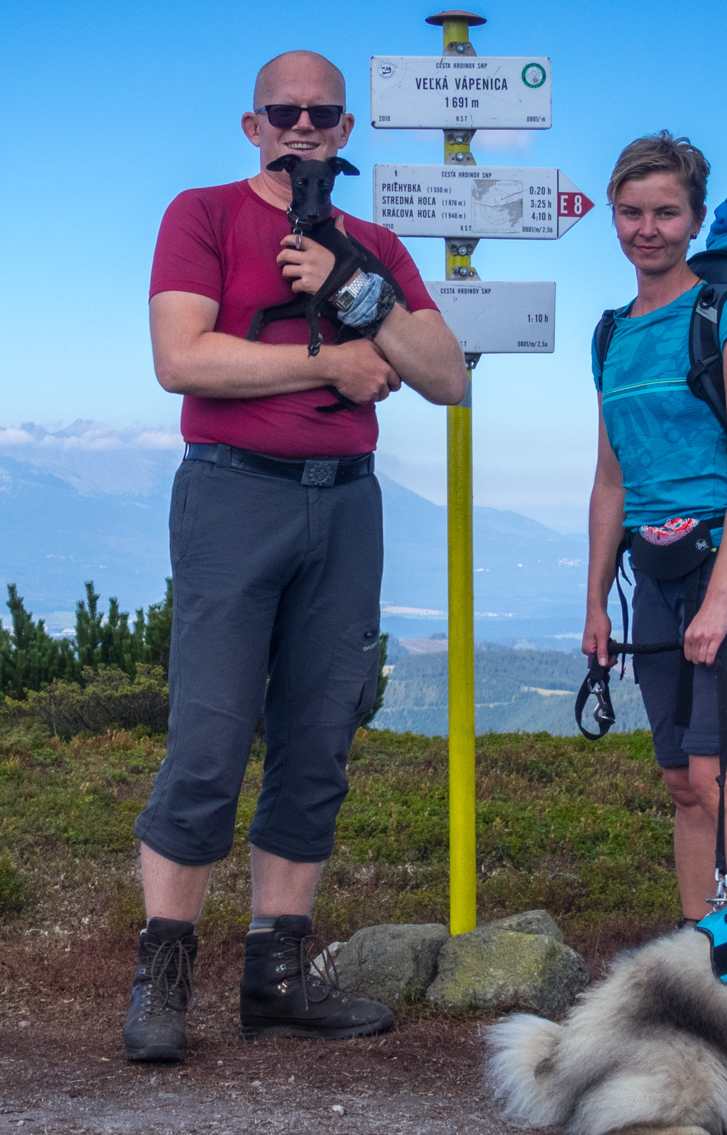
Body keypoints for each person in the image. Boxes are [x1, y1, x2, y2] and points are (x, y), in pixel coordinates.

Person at [127, 50, 468, 1062]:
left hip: (345, 506)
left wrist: (354, 289)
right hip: (233, 492)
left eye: (322, 112)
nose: (303, 125)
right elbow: (180, 358)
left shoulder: (372, 245)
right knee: (209, 734)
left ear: (346, 128)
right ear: (253, 125)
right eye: (285, 111)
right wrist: (327, 358)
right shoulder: (201, 215)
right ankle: (164, 968)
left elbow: (445, 375)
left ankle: (276, 978)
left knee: (320, 737)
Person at [581, 132, 727, 925]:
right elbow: (610, 479)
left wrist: (723, 597)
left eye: (666, 212)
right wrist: (596, 601)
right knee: (681, 783)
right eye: (631, 212)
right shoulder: (612, 335)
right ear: (613, 215)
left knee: (723, 778)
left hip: (725, 564)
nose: (647, 228)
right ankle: (707, 958)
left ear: (695, 219)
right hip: (652, 573)